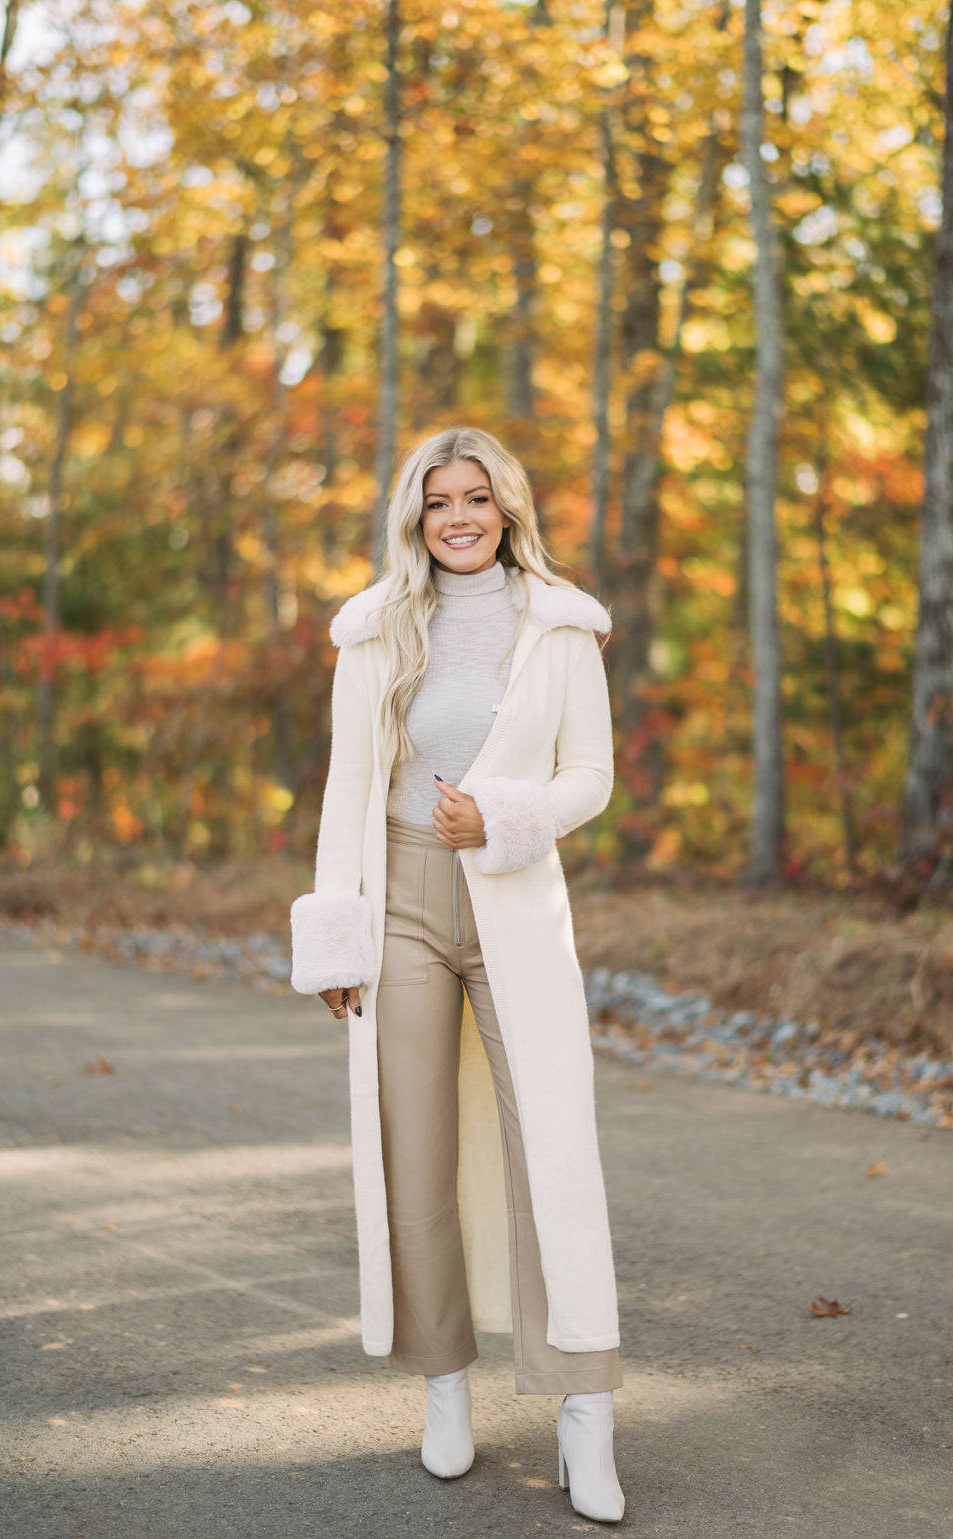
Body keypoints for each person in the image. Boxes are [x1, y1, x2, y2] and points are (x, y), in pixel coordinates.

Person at [290, 426, 625, 1523]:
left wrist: (505, 814)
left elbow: (591, 775)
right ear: (415, 518)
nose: (458, 516)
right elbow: (349, 785)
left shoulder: (561, 625)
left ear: (507, 508)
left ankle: (584, 1411)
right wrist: (338, 935)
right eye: (438, 501)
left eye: (476, 497)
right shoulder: (376, 626)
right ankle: (444, 1387)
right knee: (416, 1148)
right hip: (400, 899)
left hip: (516, 900)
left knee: (552, 1146)